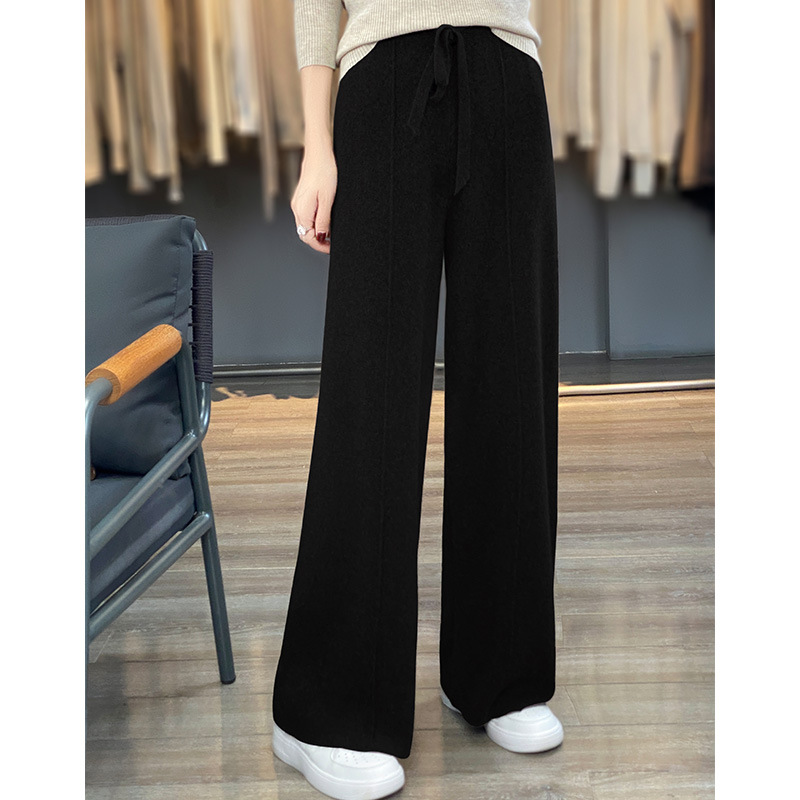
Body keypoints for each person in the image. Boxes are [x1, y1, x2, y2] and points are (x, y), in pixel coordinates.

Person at [272, 3, 562, 798]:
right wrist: (317, 146)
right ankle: (323, 711)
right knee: (369, 395)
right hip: (385, 76)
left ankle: (498, 675)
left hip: (507, 73)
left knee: (511, 385)